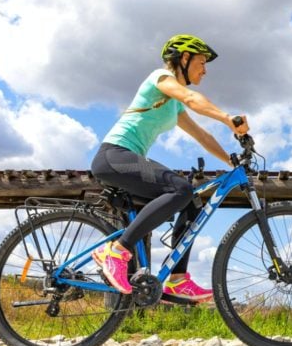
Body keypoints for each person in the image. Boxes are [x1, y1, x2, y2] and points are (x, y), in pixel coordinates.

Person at [90, 34, 249, 303]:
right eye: (201, 62)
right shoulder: (160, 79)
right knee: (180, 188)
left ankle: (176, 279)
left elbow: (203, 137)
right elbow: (190, 97)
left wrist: (230, 161)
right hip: (114, 155)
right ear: (183, 59)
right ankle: (116, 252)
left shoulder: (172, 105)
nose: (205, 70)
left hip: (126, 158)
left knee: (190, 201)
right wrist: (226, 118)